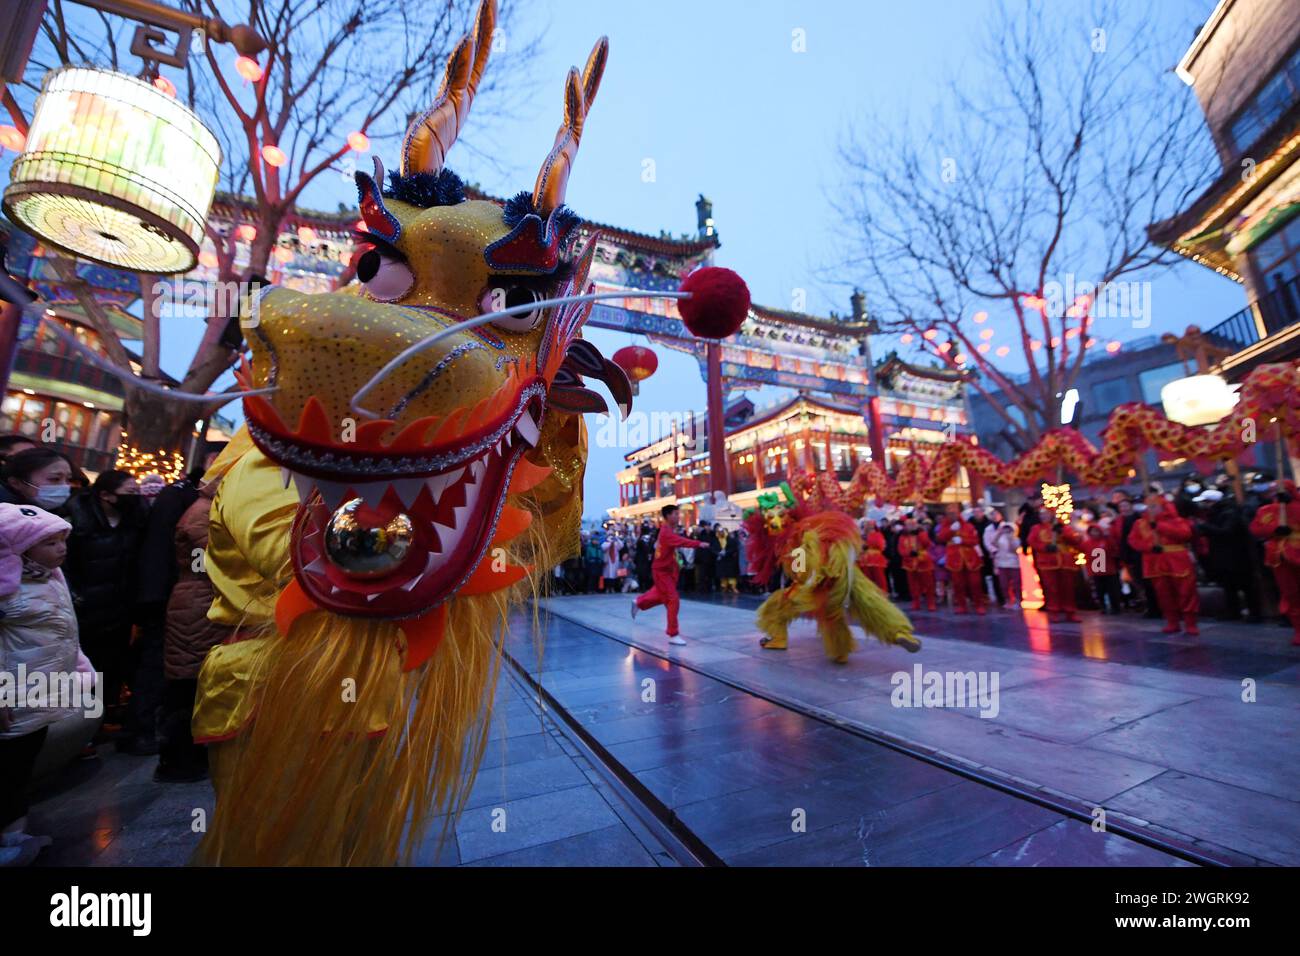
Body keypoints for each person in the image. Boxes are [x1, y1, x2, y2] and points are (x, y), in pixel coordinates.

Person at [0, 502, 89, 866]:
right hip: (12, 695)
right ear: (20, 549)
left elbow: (65, 630)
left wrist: (79, 668)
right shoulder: (8, 587)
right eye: (50, 543)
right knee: (8, 769)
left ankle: (14, 837)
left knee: (21, 766)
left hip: (39, 687)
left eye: (62, 540)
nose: (62, 549)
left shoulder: (50, 576)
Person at [156, 476, 233, 782]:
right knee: (188, 684)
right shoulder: (203, 513)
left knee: (195, 681)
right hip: (197, 606)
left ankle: (189, 756)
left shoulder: (209, 507)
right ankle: (179, 760)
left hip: (201, 602)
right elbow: (222, 557)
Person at [63, 470, 145, 737]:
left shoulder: (135, 518)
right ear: (106, 495)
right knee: (85, 668)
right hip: (85, 608)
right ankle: (79, 729)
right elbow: (66, 565)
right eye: (130, 493)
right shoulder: (78, 517)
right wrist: (77, 598)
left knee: (110, 666)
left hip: (118, 607)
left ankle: (98, 721)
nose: (136, 497)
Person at [631, 504, 709, 645]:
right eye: (675, 514)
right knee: (673, 599)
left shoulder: (668, 530)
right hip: (662, 572)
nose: (678, 516)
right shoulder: (666, 532)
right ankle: (673, 634)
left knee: (662, 597)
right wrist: (698, 544)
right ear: (667, 516)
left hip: (669, 571)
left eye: (678, 514)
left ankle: (639, 602)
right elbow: (681, 542)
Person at [1128, 493, 1199, 635]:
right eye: (1149, 506)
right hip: (1155, 561)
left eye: (1154, 506)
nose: (1151, 509)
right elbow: (1133, 540)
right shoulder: (1140, 523)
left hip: (1177, 560)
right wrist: (1148, 547)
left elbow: (1185, 534)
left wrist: (1160, 527)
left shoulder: (1176, 520)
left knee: (1186, 592)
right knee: (1164, 594)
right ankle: (1172, 622)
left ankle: (1190, 623)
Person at [1249, 479, 1300, 645]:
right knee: (1290, 595)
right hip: (1279, 557)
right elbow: (1256, 529)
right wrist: (1275, 530)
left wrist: (1291, 505)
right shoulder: (1266, 510)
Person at [1028, 507, 1084, 622]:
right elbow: (1032, 541)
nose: (1043, 516)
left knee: (1068, 588)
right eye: (1041, 514)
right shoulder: (1036, 528)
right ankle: (1053, 611)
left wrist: (1063, 533)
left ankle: (1070, 612)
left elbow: (1075, 541)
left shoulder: (1063, 527)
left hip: (1065, 561)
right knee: (1051, 588)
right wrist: (1045, 547)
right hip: (1047, 562)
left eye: (1046, 514)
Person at [936, 505, 985, 614]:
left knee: (975, 583)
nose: (952, 515)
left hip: (971, 559)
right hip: (955, 559)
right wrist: (950, 530)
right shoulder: (944, 527)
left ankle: (979, 605)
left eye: (954, 513)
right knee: (958, 584)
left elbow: (974, 540)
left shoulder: (968, 526)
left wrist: (962, 540)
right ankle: (962, 605)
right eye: (949, 513)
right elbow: (940, 538)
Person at [0, 447, 73, 510]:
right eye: (55, 479)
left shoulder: (71, 516)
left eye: (68, 479)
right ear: (15, 483)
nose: (65, 486)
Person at [897, 514, 936, 611]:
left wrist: (920, 533)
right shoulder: (903, 536)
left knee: (928, 584)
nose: (910, 526)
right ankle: (916, 602)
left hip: (923, 561)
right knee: (913, 585)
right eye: (908, 525)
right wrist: (908, 553)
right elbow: (900, 549)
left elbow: (926, 543)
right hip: (909, 562)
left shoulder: (921, 533)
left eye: (912, 524)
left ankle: (930, 602)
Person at [984, 514, 1023, 608]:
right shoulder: (1000, 538)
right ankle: (1008, 600)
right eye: (1005, 529)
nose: (1007, 530)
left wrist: (1010, 538)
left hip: (1014, 564)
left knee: (1016, 584)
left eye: (1009, 529)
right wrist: (999, 533)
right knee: (1004, 584)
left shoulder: (1016, 539)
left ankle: (1018, 601)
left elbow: (1014, 549)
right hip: (1001, 563)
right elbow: (993, 543)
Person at [1084, 520, 1123, 614]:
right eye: (1092, 531)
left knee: (1113, 590)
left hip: (1109, 569)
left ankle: (1115, 607)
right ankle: (1103, 607)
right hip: (1096, 571)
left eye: (1096, 531)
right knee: (1100, 590)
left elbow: (1114, 549)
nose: (1095, 533)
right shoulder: (1087, 543)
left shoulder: (1107, 541)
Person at [858, 519, 889, 593]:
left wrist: (868, 541)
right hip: (864, 560)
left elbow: (881, 546)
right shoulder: (862, 536)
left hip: (876, 559)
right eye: (866, 526)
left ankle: (883, 594)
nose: (867, 527)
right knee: (867, 580)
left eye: (870, 526)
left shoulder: (878, 534)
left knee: (880, 579)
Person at [716, 524, 740, 593]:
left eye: (722, 532)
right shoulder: (716, 540)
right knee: (722, 575)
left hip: (729, 559)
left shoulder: (730, 540)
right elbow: (713, 548)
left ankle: (733, 587)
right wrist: (719, 553)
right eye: (719, 532)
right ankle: (724, 586)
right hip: (721, 560)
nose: (721, 533)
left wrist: (726, 553)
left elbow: (734, 548)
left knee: (731, 574)